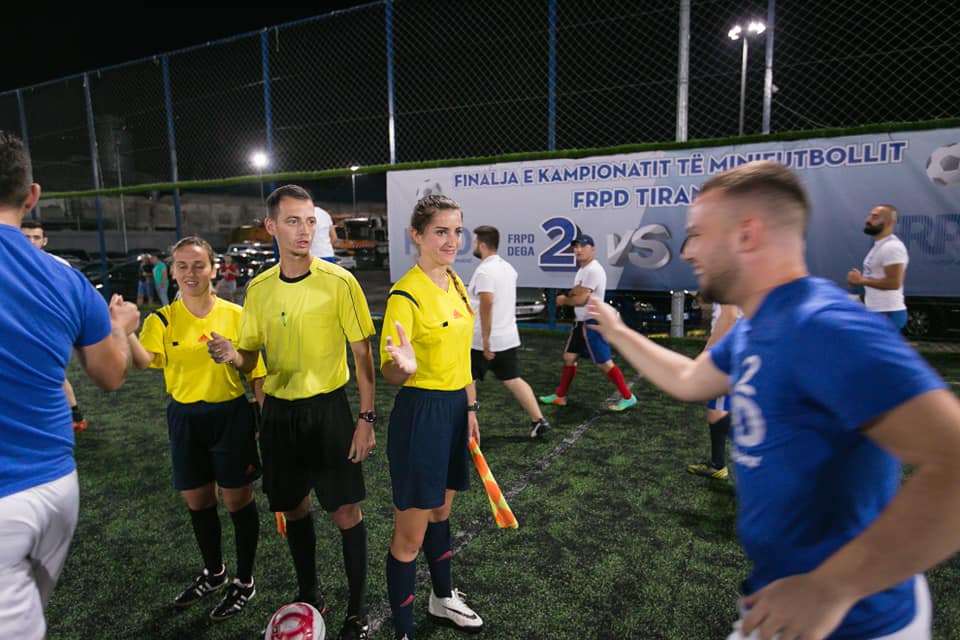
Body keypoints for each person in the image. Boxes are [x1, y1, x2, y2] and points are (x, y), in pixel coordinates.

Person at [588, 160, 960, 640]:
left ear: (747, 235)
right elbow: (690, 379)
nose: (689, 250)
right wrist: (618, 331)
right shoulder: (757, 325)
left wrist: (834, 587)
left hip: (853, 623)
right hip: (781, 604)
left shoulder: (823, 326)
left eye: (697, 234)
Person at [208, 184, 376, 640]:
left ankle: (357, 610)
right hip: (279, 414)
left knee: (345, 511)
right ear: (271, 226)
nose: (305, 230)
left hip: (329, 412)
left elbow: (362, 356)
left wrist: (365, 419)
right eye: (293, 221)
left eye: (310, 220)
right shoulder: (259, 288)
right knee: (295, 507)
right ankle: (310, 594)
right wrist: (232, 355)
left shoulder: (339, 281)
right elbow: (249, 355)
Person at [0, 130, 140, 639]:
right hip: (57, 487)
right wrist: (122, 328)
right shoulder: (67, 280)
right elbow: (111, 374)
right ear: (32, 196)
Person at [127, 236, 267, 621]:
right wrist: (123, 332)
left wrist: (265, 418)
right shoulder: (161, 319)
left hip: (230, 417)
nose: (191, 273)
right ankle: (215, 572)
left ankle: (244, 581)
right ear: (172, 272)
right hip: (185, 419)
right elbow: (143, 361)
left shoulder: (236, 315)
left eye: (199, 265)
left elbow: (256, 371)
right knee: (199, 502)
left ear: (214, 269)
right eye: (183, 266)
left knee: (237, 501)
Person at [379, 194, 484, 640]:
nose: (452, 240)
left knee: (441, 511)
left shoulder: (456, 281)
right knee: (411, 533)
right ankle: (403, 631)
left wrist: (471, 406)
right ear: (416, 235)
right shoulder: (405, 294)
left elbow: (463, 354)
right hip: (421, 413)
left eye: (457, 231)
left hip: (455, 409)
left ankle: (442, 598)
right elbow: (389, 371)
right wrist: (401, 367)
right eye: (441, 231)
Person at [537, 233, 637, 412]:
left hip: (593, 321)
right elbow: (578, 291)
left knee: (604, 363)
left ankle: (628, 397)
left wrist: (564, 300)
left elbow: (581, 299)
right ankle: (560, 396)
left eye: (583, 246)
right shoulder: (583, 270)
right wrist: (571, 294)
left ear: (593, 249)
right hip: (581, 322)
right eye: (576, 247)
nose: (578, 250)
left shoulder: (593, 270)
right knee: (569, 357)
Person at [468, 225, 550, 438]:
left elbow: (487, 304)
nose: (473, 245)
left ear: (482, 245)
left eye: (475, 242)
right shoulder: (508, 268)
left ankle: (468, 425)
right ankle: (538, 420)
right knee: (513, 378)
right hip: (507, 337)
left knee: (468, 379)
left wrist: (486, 340)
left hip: (483, 340)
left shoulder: (485, 271)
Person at [20, 219, 89, 433]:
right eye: (26, 237)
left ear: (44, 241)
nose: (31, 241)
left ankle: (69, 415)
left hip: (48, 327)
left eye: (36, 237)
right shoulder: (8, 262)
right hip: (17, 326)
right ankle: (73, 414)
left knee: (48, 370)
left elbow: (72, 294)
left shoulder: (58, 264)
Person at [685, 301, 740, 480]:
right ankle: (718, 463)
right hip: (739, 347)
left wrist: (707, 353)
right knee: (720, 408)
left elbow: (730, 316)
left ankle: (722, 465)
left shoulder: (727, 284)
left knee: (718, 410)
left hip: (731, 349)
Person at [846, 204, 909, 330]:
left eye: (875, 217)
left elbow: (894, 283)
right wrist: (857, 283)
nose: (868, 220)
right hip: (877, 311)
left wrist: (861, 280)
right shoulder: (880, 245)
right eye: (869, 215)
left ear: (889, 222)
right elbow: (874, 278)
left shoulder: (892, 247)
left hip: (888, 312)